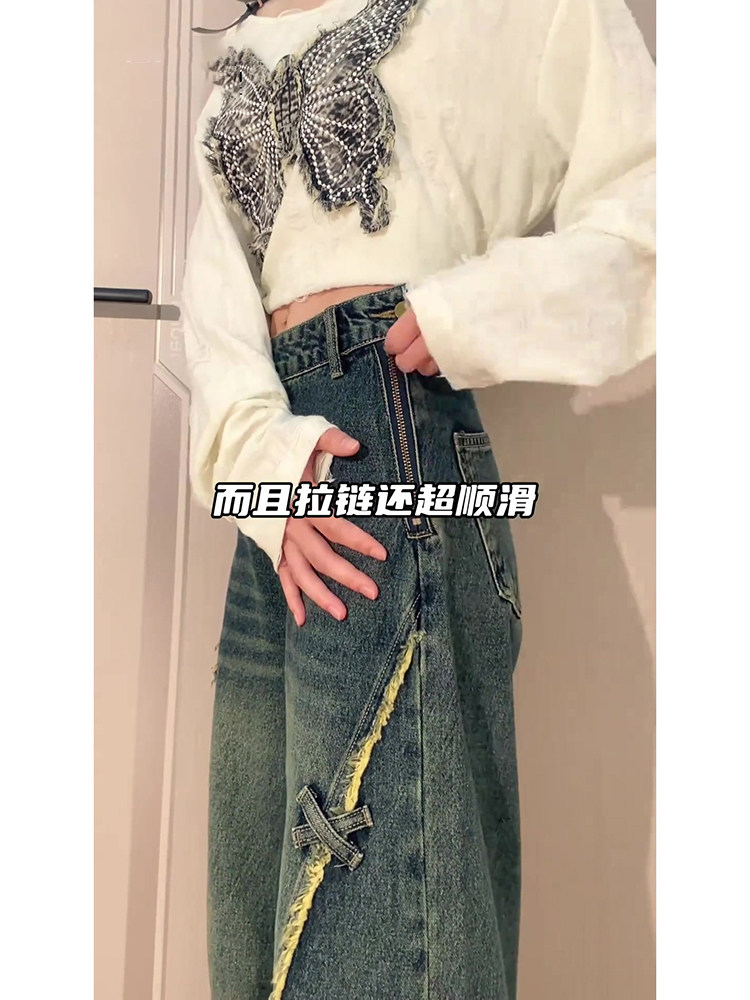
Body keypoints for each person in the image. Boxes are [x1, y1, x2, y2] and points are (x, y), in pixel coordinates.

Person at [181, 0, 655, 997]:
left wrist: (473, 311)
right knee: (259, 904)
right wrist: (260, 464)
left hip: (393, 432)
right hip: (276, 481)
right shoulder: (244, 52)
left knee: (373, 925)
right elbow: (217, 302)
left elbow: (660, 193)